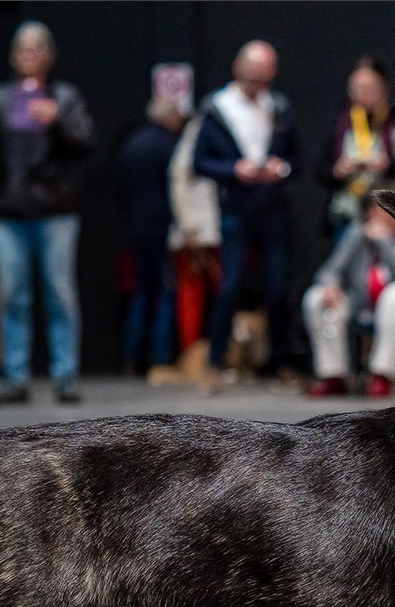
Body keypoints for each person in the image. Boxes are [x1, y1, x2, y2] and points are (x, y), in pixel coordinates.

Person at [0, 21, 95, 404]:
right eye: (21, 50)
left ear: (48, 56)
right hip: (8, 210)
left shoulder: (65, 97)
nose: (27, 56)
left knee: (60, 294)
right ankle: (15, 377)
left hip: (55, 211)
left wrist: (59, 122)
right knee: (14, 296)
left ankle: (65, 376)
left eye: (35, 49)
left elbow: (85, 143)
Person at [192, 40, 300, 393]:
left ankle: (280, 362)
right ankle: (215, 362)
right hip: (235, 208)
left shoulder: (279, 107)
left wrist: (279, 168)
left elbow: (296, 162)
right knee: (230, 284)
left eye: (265, 80)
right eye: (253, 79)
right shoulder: (216, 108)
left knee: (277, 286)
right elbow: (199, 161)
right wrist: (233, 169)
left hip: (272, 207)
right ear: (238, 70)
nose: (259, 87)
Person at [302, 191, 395, 398]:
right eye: (375, 211)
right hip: (361, 303)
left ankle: (382, 375)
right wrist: (330, 285)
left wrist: (385, 242)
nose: (381, 217)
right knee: (316, 298)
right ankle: (333, 376)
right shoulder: (357, 234)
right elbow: (330, 270)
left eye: (388, 211)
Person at [315, 56, 395, 240]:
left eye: (371, 87)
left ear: (384, 86)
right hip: (350, 214)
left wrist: (391, 166)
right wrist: (337, 170)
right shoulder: (340, 124)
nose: (364, 93)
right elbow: (320, 170)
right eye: (359, 88)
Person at [118, 96, 186, 379]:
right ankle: (161, 357)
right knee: (168, 292)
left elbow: (120, 191)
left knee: (142, 293)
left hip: (136, 229)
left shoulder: (132, 145)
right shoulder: (172, 146)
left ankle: (132, 358)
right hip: (164, 229)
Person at [168, 109, 222, 363]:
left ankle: (219, 355)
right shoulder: (198, 133)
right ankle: (191, 356)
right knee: (192, 294)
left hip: (222, 229)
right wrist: (187, 226)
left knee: (221, 292)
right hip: (197, 231)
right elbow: (179, 180)